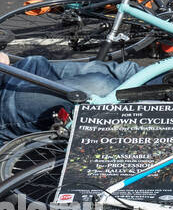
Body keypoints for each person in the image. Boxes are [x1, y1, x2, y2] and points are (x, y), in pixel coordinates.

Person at [0, 51, 150, 143]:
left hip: (14, 71)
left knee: (128, 71)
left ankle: (171, 97)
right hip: (4, 102)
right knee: (102, 88)